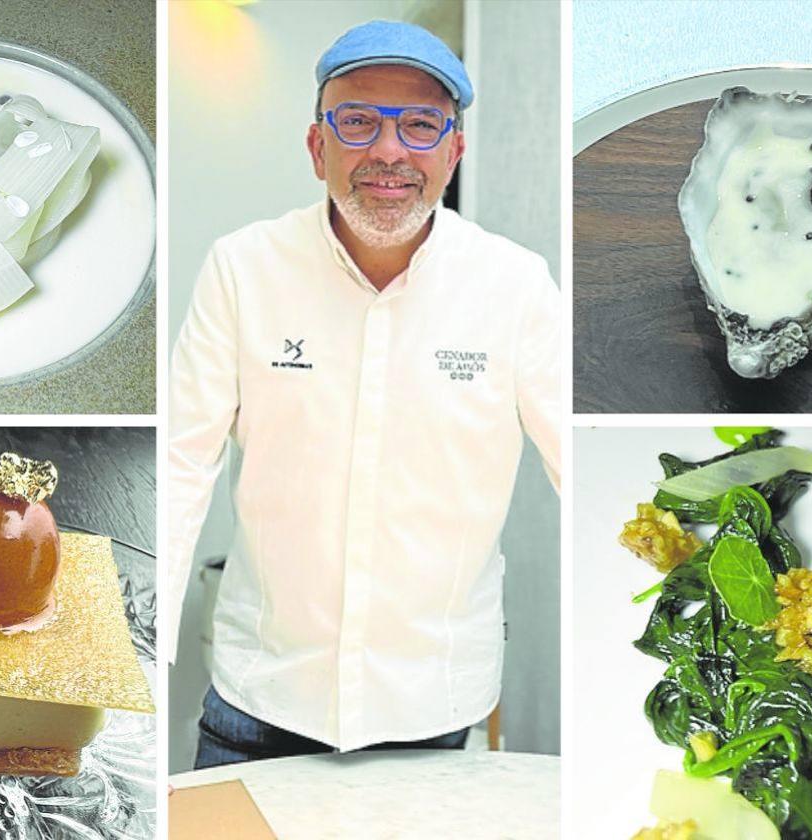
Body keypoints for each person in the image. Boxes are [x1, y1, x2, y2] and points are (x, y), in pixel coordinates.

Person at [169, 19, 560, 769]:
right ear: (318, 148)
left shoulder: (515, 286)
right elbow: (184, 462)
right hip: (259, 695)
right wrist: (142, 646)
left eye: (419, 126)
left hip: (432, 709)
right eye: (358, 122)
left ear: (454, 150)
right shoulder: (242, 269)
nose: (388, 151)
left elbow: (579, 460)